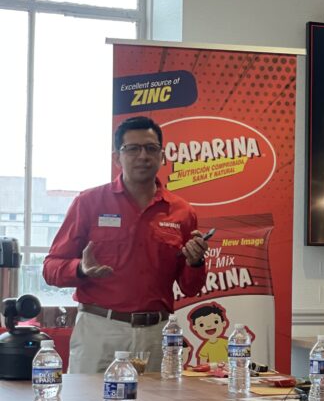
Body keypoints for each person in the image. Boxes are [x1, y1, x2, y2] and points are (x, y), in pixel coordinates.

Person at [43, 116, 209, 374]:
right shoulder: (89, 203)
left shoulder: (182, 212)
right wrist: (81, 270)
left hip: (156, 334)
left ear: (161, 156)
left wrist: (196, 262)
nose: (142, 155)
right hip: (100, 330)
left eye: (151, 148)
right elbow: (51, 268)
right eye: (132, 148)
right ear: (116, 158)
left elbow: (191, 287)